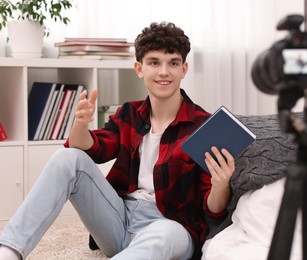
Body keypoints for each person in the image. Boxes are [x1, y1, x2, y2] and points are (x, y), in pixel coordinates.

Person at [0, 22, 234, 260]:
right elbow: (91, 149)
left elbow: (213, 211)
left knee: (169, 235)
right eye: (154, 62)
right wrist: (80, 124)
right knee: (67, 157)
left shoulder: (204, 126)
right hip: (118, 219)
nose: (164, 71)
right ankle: (9, 251)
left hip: (168, 226)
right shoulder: (128, 114)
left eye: (173, 63)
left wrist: (221, 184)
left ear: (183, 69)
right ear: (139, 68)